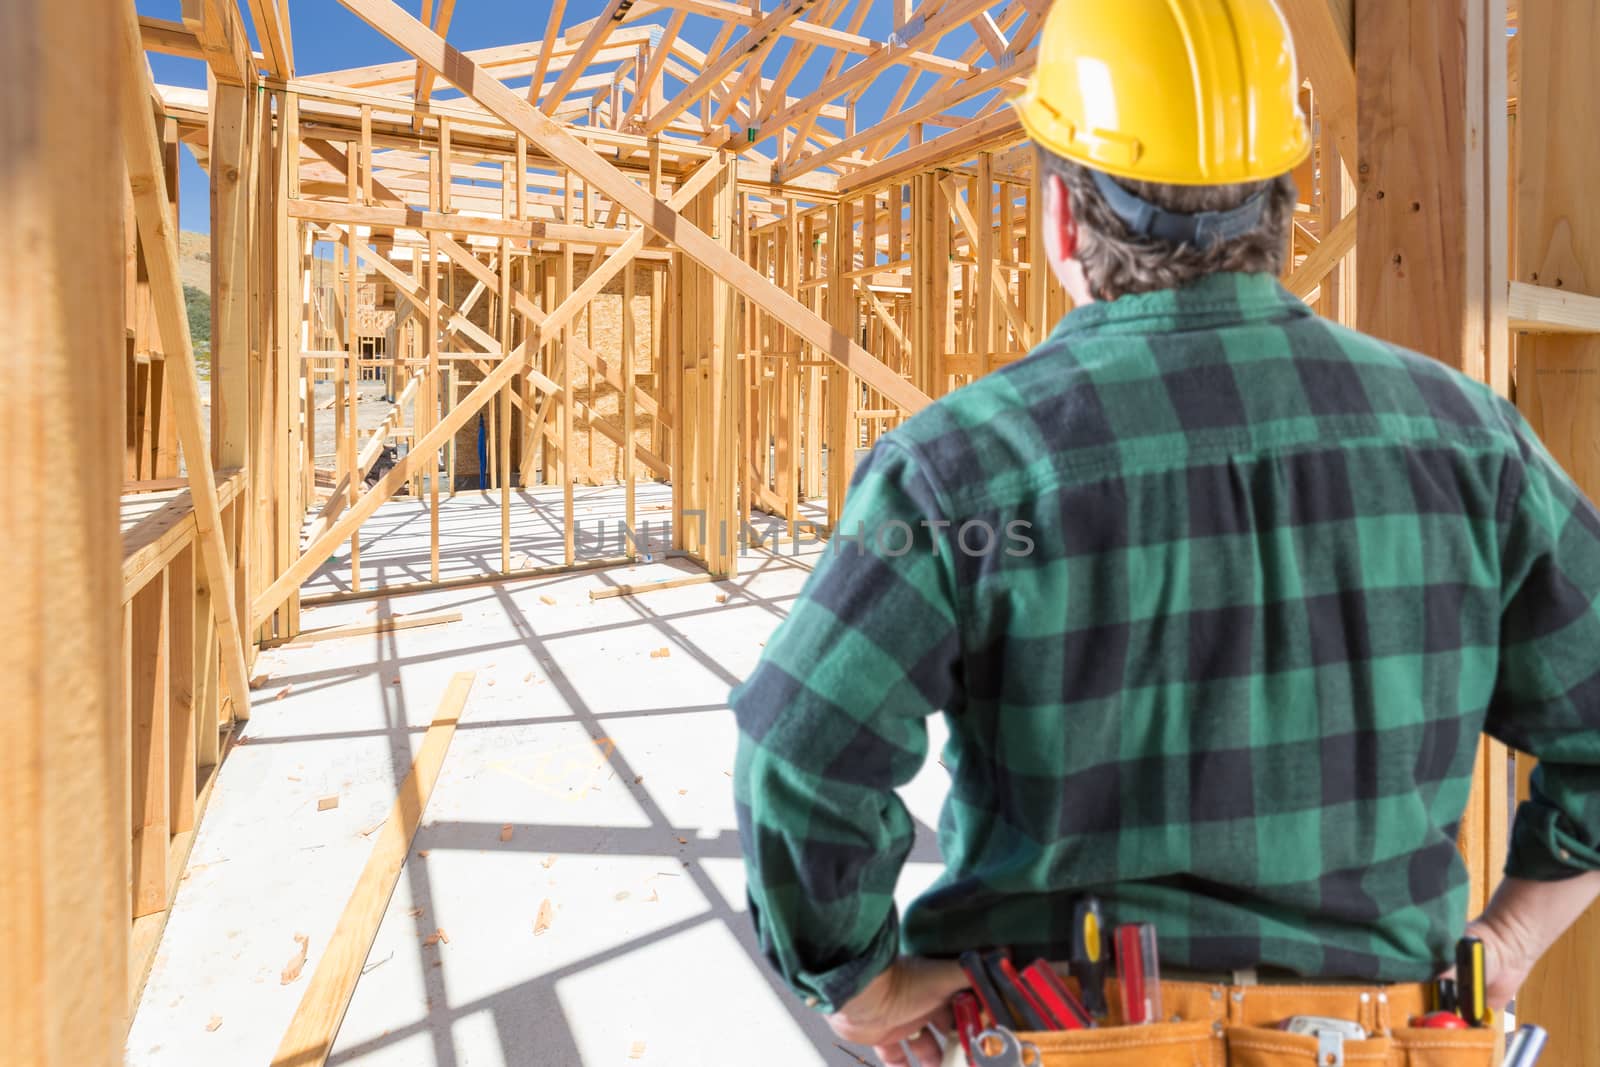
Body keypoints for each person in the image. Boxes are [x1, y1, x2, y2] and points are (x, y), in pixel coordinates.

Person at [730, 1, 1600, 1064]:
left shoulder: (960, 471)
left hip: (1065, 1030)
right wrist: (1509, 933)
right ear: (1285, 202)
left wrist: (859, 977)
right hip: (1380, 1034)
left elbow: (800, 749)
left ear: (1062, 217)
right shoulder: (1471, 446)